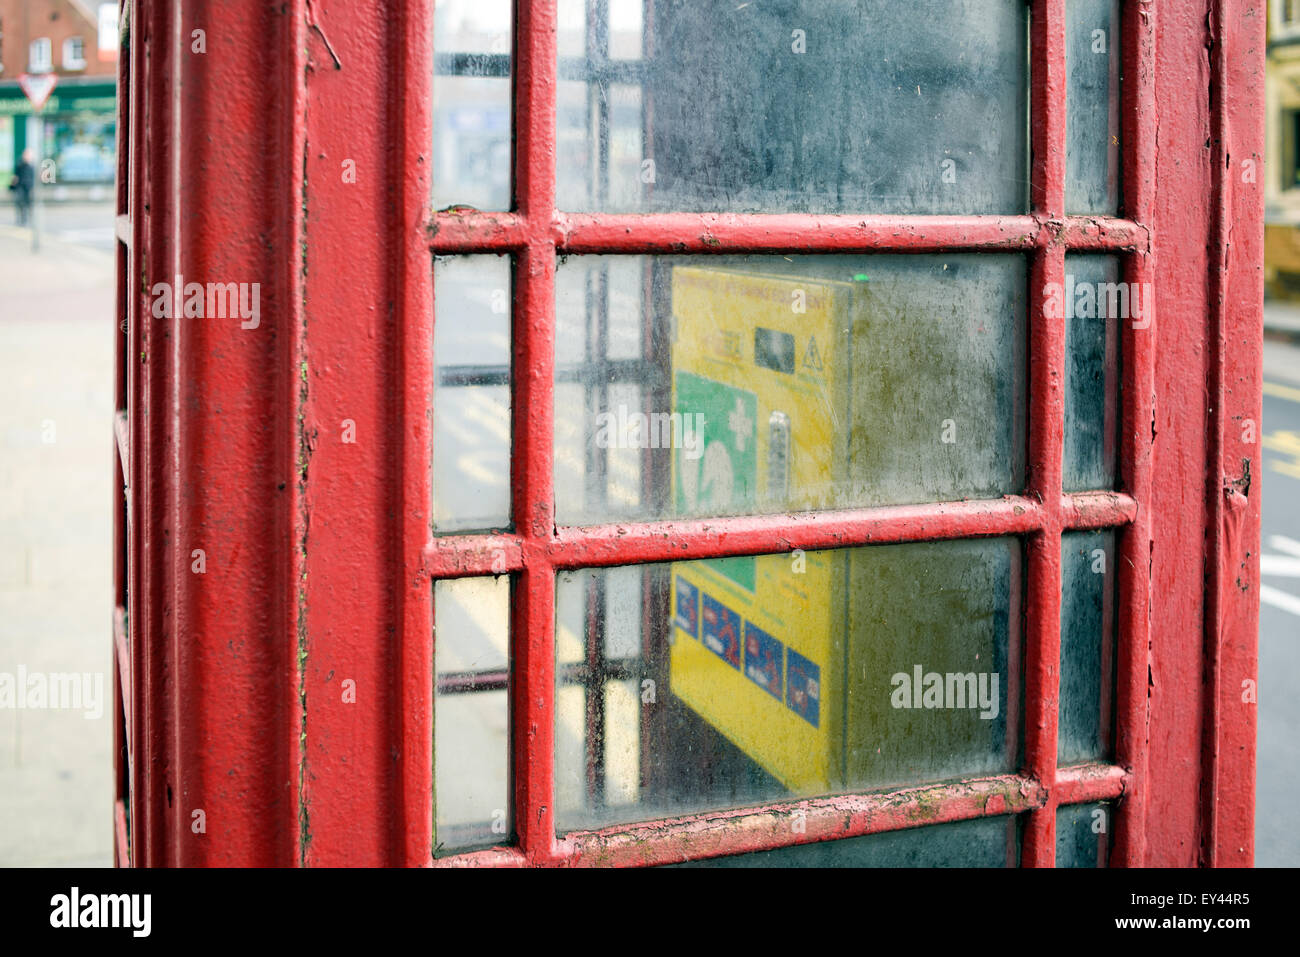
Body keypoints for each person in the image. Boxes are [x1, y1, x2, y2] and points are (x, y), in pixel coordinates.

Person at [8, 150, 35, 227]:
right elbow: (15, 177)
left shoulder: (32, 166)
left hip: (29, 187)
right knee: (20, 203)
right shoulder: (20, 165)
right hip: (20, 187)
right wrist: (11, 187)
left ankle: (29, 220)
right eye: (26, 155)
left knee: (29, 204)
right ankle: (21, 219)